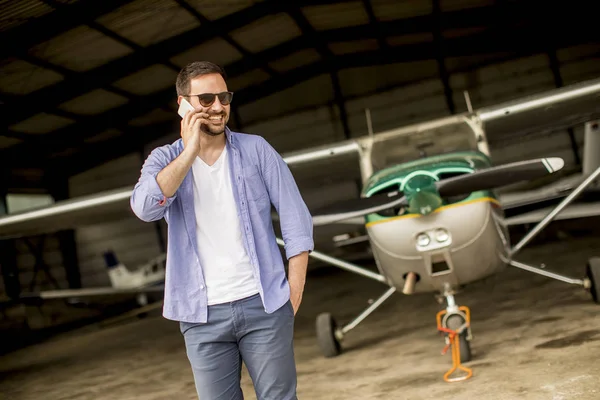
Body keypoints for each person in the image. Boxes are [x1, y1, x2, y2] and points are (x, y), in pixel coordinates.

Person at [130, 61, 314, 399]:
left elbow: (296, 220)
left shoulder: (257, 149)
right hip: (202, 319)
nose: (218, 107)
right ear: (183, 105)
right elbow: (145, 208)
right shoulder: (163, 159)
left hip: (264, 305)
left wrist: (294, 293)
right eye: (206, 99)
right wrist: (189, 151)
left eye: (224, 97)